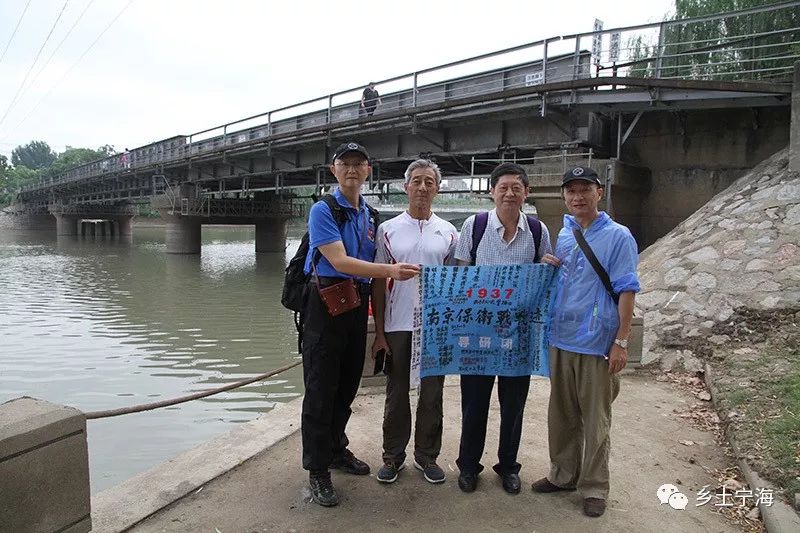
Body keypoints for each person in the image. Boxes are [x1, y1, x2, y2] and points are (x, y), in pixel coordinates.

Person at [301, 141, 420, 508]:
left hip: (355, 307)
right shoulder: (323, 210)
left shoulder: (369, 214)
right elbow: (339, 260)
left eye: (359, 163)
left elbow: (366, 271)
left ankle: (337, 449)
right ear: (334, 171)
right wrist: (390, 271)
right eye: (344, 163)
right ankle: (317, 469)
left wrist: (378, 324)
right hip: (324, 306)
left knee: (347, 386)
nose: (352, 169)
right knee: (321, 391)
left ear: (369, 170)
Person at [533, 166, 641, 518]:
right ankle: (563, 474)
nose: (578, 197)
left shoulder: (619, 236)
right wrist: (550, 263)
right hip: (562, 339)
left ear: (599, 193)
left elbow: (626, 289)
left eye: (585, 190)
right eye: (571, 191)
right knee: (561, 415)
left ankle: (595, 486)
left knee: (596, 420)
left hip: (597, 342)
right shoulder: (564, 235)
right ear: (564, 196)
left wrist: (621, 342)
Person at [453, 162, 552, 495]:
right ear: (492, 191)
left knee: (513, 406)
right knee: (474, 404)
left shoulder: (538, 231)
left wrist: (546, 268)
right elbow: (461, 274)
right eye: (503, 187)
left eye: (517, 187)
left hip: (517, 335)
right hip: (479, 333)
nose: (510, 193)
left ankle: (508, 466)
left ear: (526, 192)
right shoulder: (474, 225)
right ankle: (468, 466)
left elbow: (543, 279)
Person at [371, 159, 458, 485]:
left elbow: (456, 283)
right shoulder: (388, 230)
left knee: (432, 393)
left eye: (429, 182)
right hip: (397, 325)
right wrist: (379, 332)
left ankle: (427, 457)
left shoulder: (450, 232)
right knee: (396, 393)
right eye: (416, 181)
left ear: (437, 188)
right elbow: (378, 282)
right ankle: (392, 457)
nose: (422, 187)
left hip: (435, 325)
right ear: (406, 187)